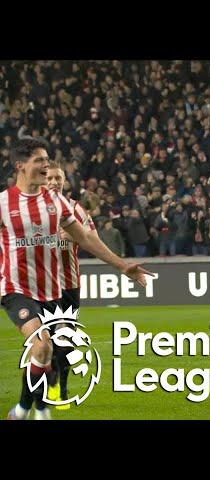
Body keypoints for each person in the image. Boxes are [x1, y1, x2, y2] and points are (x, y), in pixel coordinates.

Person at [3, 138, 152, 420]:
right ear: (20, 165)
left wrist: (122, 266)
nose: (46, 166)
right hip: (16, 288)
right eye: (39, 160)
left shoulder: (56, 202)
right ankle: (35, 410)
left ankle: (28, 407)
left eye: (48, 160)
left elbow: (86, 238)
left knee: (45, 352)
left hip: (52, 290)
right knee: (43, 344)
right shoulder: (3, 203)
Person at [44, 162, 99, 409]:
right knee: (50, 338)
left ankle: (60, 387)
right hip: (43, 284)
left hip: (70, 284)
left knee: (66, 337)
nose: (54, 182)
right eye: (50, 178)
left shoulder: (76, 209)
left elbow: (93, 240)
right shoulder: (32, 209)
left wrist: (76, 235)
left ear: (64, 181)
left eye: (58, 178)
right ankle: (54, 386)